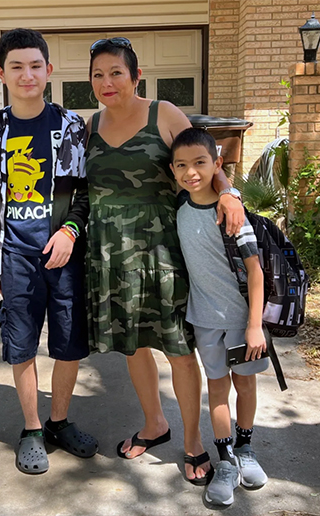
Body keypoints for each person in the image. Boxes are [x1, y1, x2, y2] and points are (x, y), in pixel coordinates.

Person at [84, 37, 245, 485]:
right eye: (98, 74)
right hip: (110, 255)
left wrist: (229, 195)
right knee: (132, 345)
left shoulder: (164, 114)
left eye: (116, 72)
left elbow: (204, 159)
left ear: (136, 76)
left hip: (162, 252)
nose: (106, 81)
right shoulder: (90, 125)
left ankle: (193, 442)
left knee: (177, 349)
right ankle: (155, 423)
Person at [0, 28, 98, 475]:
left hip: (63, 255)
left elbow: (83, 192)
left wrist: (70, 231)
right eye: (16, 66)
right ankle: (31, 429)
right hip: (16, 256)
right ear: (1, 73)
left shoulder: (70, 126)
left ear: (49, 70)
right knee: (21, 345)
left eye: (35, 65)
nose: (27, 74)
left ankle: (58, 421)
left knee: (68, 346)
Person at [170, 128, 270, 507]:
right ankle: (225, 461)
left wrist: (255, 324)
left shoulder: (230, 212)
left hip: (243, 321)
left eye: (200, 163)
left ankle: (246, 449)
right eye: (182, 165)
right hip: (204, 320)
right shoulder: (179, 206)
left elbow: (256, 271)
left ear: (217, 164)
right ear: (173, 169)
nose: (191, 172)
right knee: (217, 390)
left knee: (244, 386)